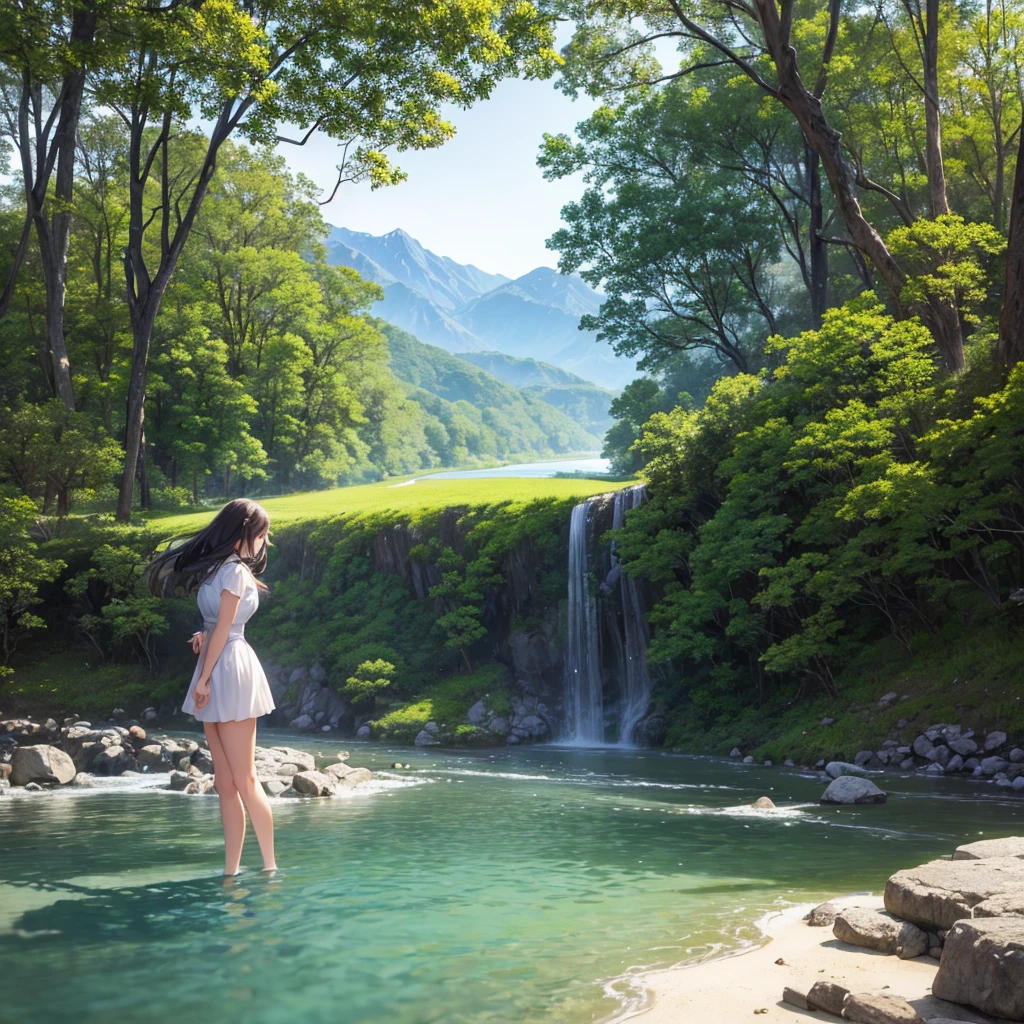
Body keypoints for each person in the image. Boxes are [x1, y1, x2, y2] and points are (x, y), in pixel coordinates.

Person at [147, 498, 278, 876]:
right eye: (261, 535)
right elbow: (216, 624)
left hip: (230, 667)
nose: (263, 542)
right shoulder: (221, 569)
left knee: (244, 777)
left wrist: (204, 674)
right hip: (215, 662)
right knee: (224, 782)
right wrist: (202, 643)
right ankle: (231, 870)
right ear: (242, 534)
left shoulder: (234, 572)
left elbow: (227, 626)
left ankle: (270, 867)